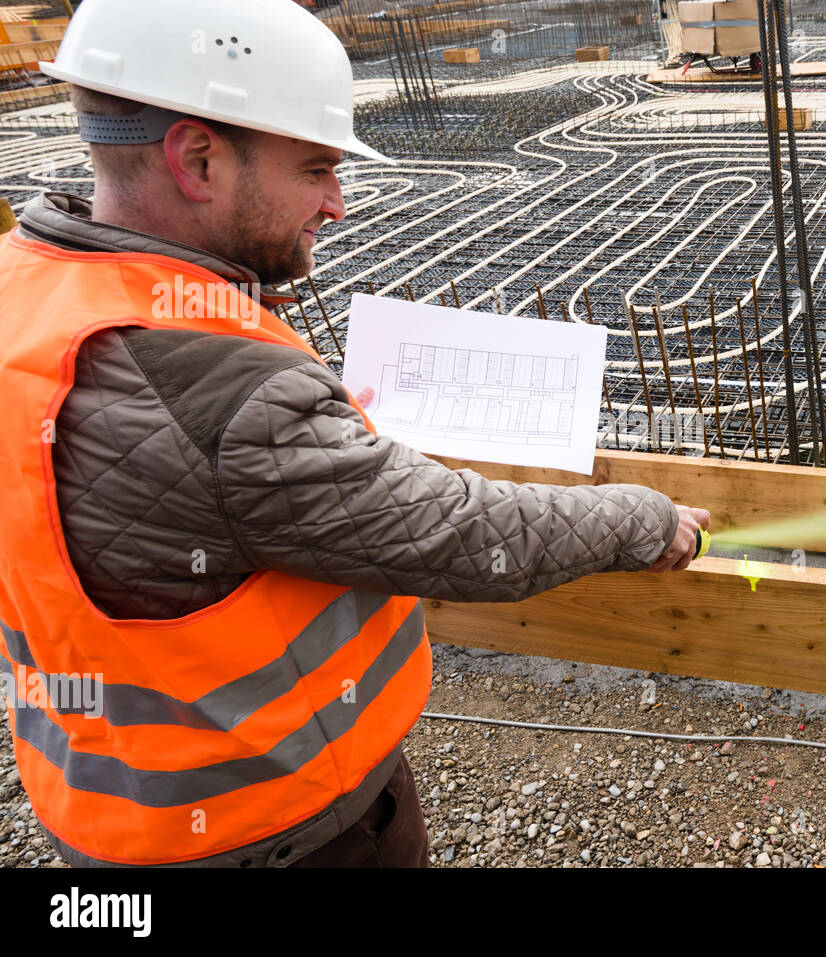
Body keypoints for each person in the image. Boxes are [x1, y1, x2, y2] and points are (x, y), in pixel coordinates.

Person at [0, 0, 709, 868]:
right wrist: (642, 519)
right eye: (316, 168)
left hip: (100, 807)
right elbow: (462, 532)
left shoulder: (26, 288)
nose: (336, 204)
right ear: (196, 159)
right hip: (274, 826)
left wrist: (233, 310)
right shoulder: (223, 398)